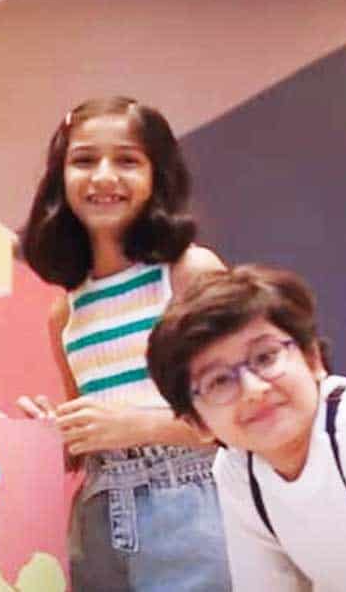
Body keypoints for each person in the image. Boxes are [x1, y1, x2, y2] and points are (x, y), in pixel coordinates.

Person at [17, 96, 230, 590]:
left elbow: (232, 418)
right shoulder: (64, 313)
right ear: (60, 178)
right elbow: (88, 442)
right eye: (84, 160)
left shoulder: (189, 273)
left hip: (193, 506)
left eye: (127, 160)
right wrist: (56, 435)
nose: (104, 177)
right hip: (94, 518)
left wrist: (134, 425)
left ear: (158, 175)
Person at [148, 265, 346, 591]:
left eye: (266, 357)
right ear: (197, 423)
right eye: (219, 381)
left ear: (313, 359)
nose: (253, 390)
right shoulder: (239, 473)